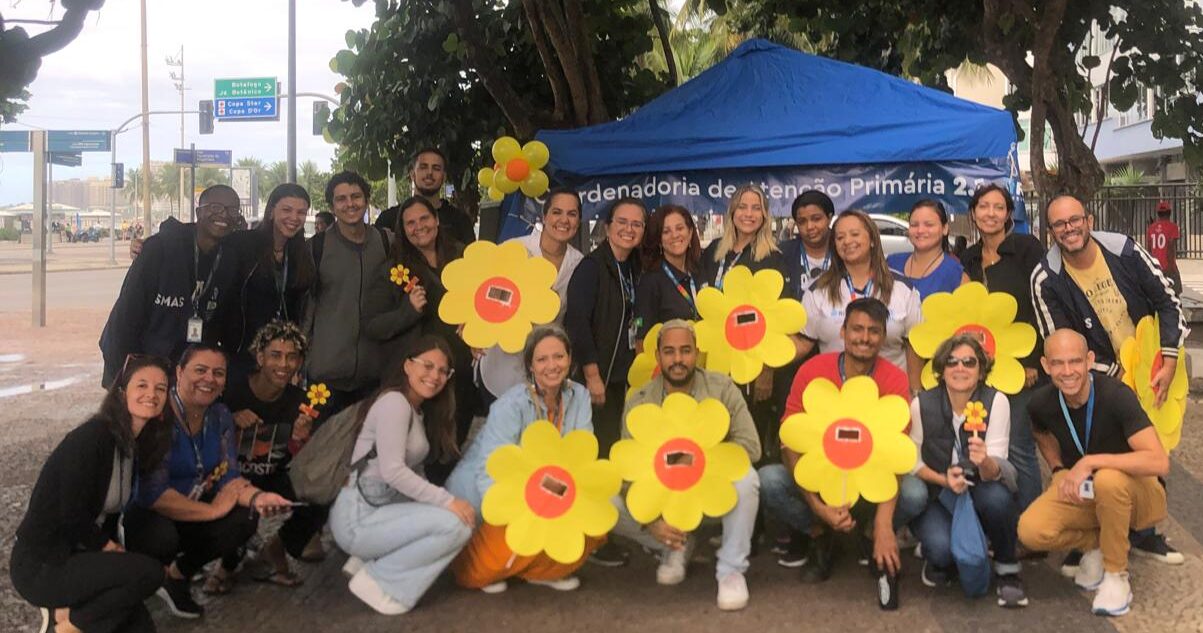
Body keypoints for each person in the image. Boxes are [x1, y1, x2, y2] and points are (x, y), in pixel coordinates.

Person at [1031, 194, 1186, 565]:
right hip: (1096, 376)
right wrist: (1113, 378)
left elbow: (1168, 302)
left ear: (1089, 218)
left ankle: (1144, 532)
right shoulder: (1046, 278)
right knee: (1092, 454)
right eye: (1059, 224)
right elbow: (1059, 344)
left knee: (1150, 448)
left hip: (1152, 369)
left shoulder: (1125, 250)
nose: (1069, 229)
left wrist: (1166, 358)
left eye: (1074, 220)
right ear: (1050, 231)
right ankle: (1089, 537)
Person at [760, 298, 927, 595]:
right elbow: (789, 442)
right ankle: (821, 534)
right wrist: (819, 508)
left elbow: (896, 455)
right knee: (769, 481)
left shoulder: (894, 379)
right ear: (843, 332)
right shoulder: (813, 371)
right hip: (818, 478)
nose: (865, 338)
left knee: (915, 493)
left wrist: (884, 525)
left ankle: (868, 533)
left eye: (874, 331)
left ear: (883, 335)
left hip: (871, 479)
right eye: (857, 329)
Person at [123, 345, 291, 619]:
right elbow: (152, 494)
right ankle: (144, 580)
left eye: (218, 373)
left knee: (246, 517)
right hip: (151, 514)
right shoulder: (160, 416)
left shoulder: (220, 415)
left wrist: (260, 498)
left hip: (195, 503)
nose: (209, 379)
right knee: (162, 538)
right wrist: (213, 511)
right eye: (200, 370)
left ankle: (177, 577)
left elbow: (230, 476)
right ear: (179, 372)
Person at [10, 355, 173, 633]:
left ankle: (67, 611)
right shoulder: (92, 438)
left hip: (84, 556)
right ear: (122, 394)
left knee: (141, 627)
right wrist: (110, 549)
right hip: (45, 563)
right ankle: (67, 625)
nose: (152, 394)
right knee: (149, 573)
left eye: (161, 388)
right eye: (142, 385)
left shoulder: (133, 444)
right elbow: (70, 515)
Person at [610, 320, 761, 610]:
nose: (678, 360)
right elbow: (627, 470)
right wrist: (650, 521)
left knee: (747, 478)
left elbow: (751, 448)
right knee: (606, 499)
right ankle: (674, 545)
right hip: (663, 502)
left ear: (697, 353)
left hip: (710, 495)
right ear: (657, 356)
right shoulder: (639, 402)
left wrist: (702, 460)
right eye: (669, 352)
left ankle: (730, 571)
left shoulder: (721, 388)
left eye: (685, 351)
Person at [1018, 329, 1170, 617]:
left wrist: (1089, 463)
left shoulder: (1116, 396)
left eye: (1075, 361)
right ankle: (1098, 545)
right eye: (1058, 363)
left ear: (1089, 360)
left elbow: (1159, 462)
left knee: (1108, 479)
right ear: (1046, 365)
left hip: (1141, 497)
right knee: (1030, 530)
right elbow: (1040, 431)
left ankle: (1116, 575)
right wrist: (1058, 468)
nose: (1067, 371)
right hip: (1090, 494)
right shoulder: (1041, 403)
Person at [447, 325, 598, 593]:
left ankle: (537, 570)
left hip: (544, 489)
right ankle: (485, 558)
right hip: (490, 496)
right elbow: (488, 471)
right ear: (530, 365)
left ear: (570, 359)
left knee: (595, 516)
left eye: (559, 356)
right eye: (542, 359)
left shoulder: (580, 396)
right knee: (481, 571)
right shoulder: (511, 405)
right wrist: (512, 515)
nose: (552, 365)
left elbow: (581, 456)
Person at [330, 336, 474, 615]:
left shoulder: (415, 410)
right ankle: (380, 582)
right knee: (456, 526)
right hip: (358, 518)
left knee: (456, 516)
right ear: (408, 365)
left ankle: (367, 560)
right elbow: (393, 471)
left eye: (443, 371)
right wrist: (447, 502)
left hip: (373, 511)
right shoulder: (394, 403)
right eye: (427, 366)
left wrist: (445, 503)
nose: (435, 376)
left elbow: (411, 474)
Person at [909, 334, 1027, 608]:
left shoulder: (996, 401)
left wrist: (984, 461)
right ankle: (950, 551)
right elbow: (913, 462)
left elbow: (1001, 468)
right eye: (951, 362)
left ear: (981, 370)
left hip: (981, 486)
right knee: (940, 552)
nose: (959, 368)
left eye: (969, 362)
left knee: (997, 499)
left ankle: (1007, 567)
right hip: (940, 491)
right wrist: (943, 480)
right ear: (941, 368)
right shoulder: (921, 404)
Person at [958, 184, 1046, 519]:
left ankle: (1031, 525)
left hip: (1024, 367)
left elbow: (1042, 305)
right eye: (983, 206)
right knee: (983, 442)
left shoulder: (1026, 249)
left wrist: (1033, 361)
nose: (990, 213)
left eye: (998, 207)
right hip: (983, 367)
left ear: (1009, 214)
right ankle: (996, 520)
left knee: (1019, 444)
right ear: (974, 212)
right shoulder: (968, 256)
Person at [99, 185, 242, 387]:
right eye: (216, 207)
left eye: (233, 210)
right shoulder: (160, 250)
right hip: (139, 369)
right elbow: (125, 318)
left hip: (183, 375)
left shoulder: (229, 260)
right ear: (198, 212)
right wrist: (124, 378)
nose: (224, 215)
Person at [225, 321, 327, 585]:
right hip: (230, 477)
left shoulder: (303, 401)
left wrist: (300, 440)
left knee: (323, 494)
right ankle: (228, 560)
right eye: (275, 355)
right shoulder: (231, 389)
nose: (284, 364)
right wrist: (229, 418)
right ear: (260, 357)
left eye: (292, 357)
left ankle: (277, 542)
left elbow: (306, 457)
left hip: (274, 476)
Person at [700, 185, 788, 461]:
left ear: (764, 216)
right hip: (716, 360)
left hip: (752, 365)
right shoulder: (714, 252)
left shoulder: (772, 257)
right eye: (742, 207)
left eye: (756, 208)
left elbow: (779, 321)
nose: (748, 214)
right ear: (732, 212)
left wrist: (767, 371)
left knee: (749, 437)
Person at [387, 195, 474, 464]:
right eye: (410, 223)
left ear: (436, 220)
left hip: (463, 359)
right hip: (427, 367)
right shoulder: (398, 268)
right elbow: (383, 321)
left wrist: (475, 320)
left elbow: (481, 296)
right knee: (430, 436)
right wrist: (409, 308)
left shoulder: (462, 254)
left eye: (424, 218)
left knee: (460, 425)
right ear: (403, 230)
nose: (419, 226)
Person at [795, 210, 924, 390]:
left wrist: (915, 393)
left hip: (890, 397)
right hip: (836, 397)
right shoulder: (818, 291)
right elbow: (803, 342)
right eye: (840, 238)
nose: (847, 241)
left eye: (855, 234)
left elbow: (915, 344)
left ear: (872, 239)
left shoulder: (901, 289)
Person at [477, 188, 584, 403]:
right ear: (544, 216)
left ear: (579, 221)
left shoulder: (579, 264)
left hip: (546, 375)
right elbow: (485, 292)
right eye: (557, 212)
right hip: (502, 367)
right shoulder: (515, 249)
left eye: (572, 214)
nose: (564, 220)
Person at [304, 171, 397, 419]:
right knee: (322, 451)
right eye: (341, 199)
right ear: (332, 206)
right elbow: (306, 309)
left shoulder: (387, 242)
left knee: (367, 453)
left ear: (366, 200)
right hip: (325, 376)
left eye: (356, 196)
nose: (350, 204)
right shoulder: (316, 247)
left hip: (375, 375)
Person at [565, 197, 646, 457]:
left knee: (613, 441)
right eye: (622, 222)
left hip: (622, 374)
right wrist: (592, 375)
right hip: (598, 377)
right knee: (594, 446)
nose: (629, 229)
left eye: (636, 224)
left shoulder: (634, 266)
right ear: (608, 226)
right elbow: (577, 323)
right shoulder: (591, 267)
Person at [220, 184, 316, 381]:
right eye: (287, 210)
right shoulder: (242, 244)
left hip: (282, 356)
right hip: (242, 353)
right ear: (271, 211)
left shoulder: (301, 253)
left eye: (301, 212)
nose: (294, 218)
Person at [633, 204, 704, 345]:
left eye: (680, 228)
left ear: (690, 233)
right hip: (671, 365)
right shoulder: (650, 282)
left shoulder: (701, 271)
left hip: (707, 363)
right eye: (666, 231)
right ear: (659, 240)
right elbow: (641, 340)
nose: (675, 235)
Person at [375, 147, 475, 245]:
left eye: (436, 168)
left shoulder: (460, 221)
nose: (429, 173)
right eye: (423, 167)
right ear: (412, 174)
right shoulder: (388, 219)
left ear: (444, 177)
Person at [887, 199, 964, 298]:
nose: (920, 230)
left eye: (929, 225)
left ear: (945, 229)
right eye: (914, 225)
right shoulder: (891, 263)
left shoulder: (957, 274)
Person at [780, 190, 835, 301]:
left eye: (816, 219)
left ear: (829, 218)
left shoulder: (844, 251)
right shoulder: (782, 255)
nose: (810, 226)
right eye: (802, 221)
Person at [1146, 200, 1183, 296]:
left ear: (1158, 213)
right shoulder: (1173, 227)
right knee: (1175, 292)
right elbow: (1171, 247)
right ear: (1169, 213)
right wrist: (1171, 267)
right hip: (1167, 265)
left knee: (1157, 294)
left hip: (1155, 266)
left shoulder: (1151, 228)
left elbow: (1149, 249)